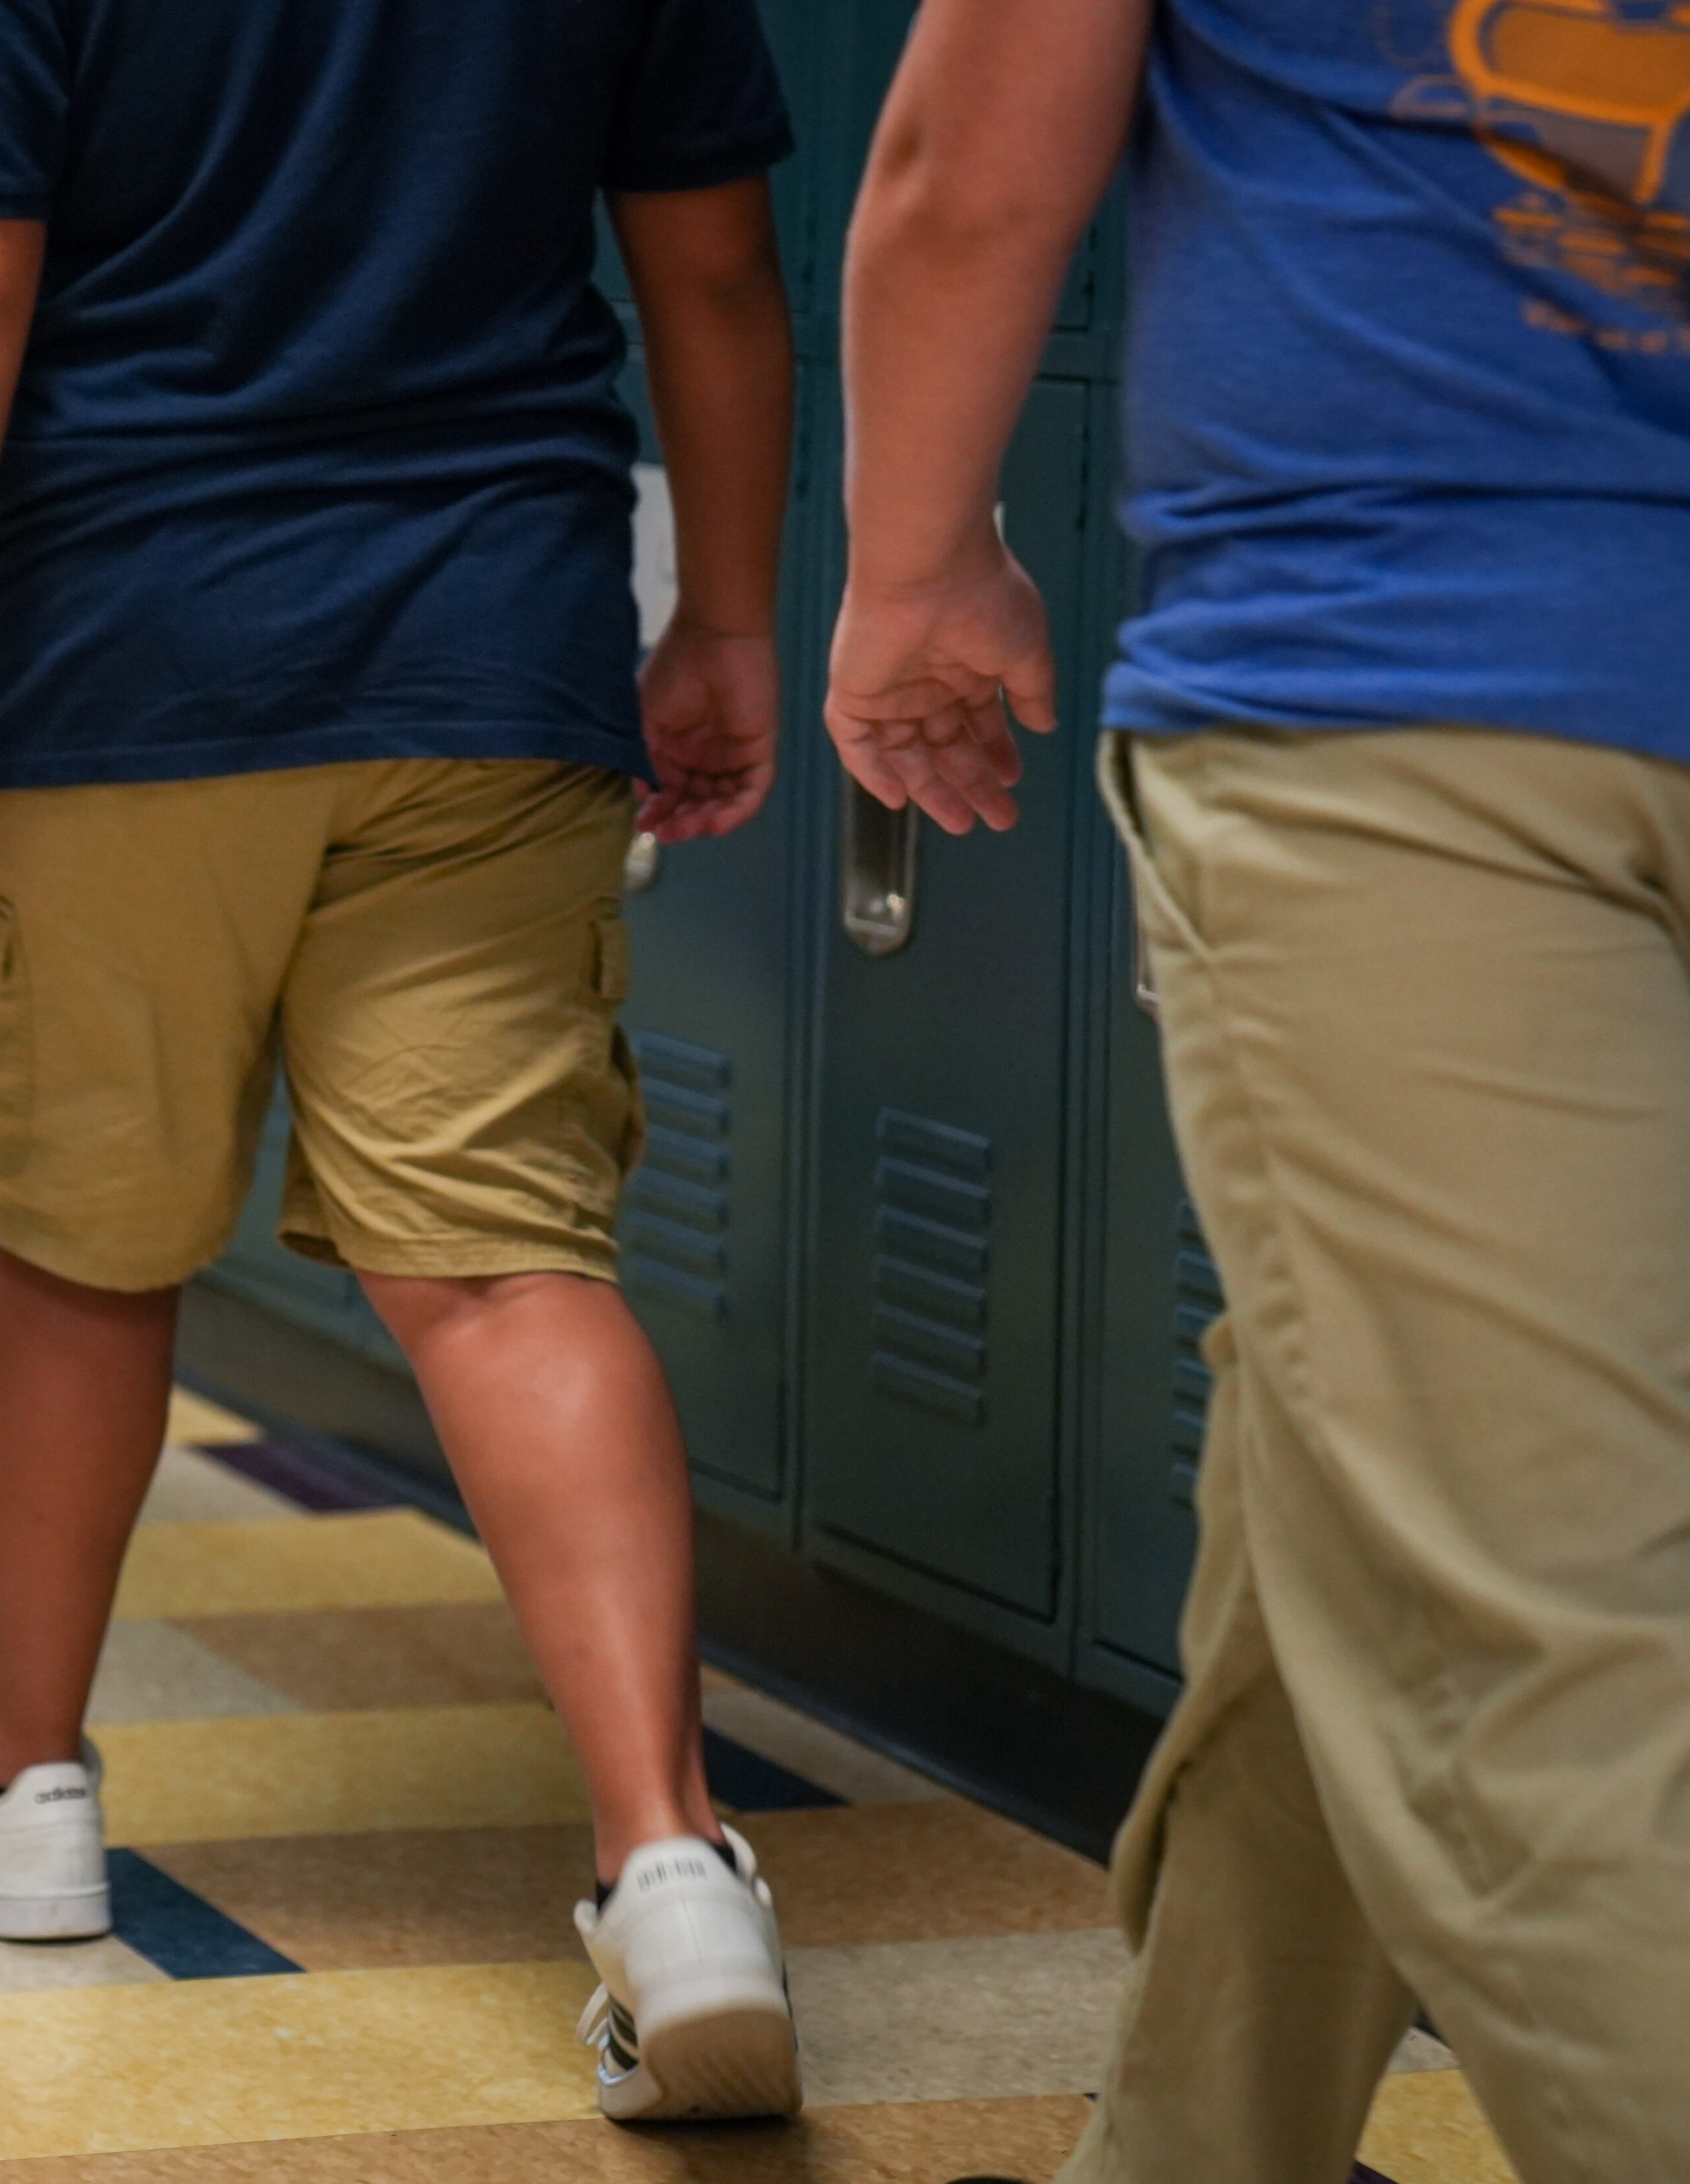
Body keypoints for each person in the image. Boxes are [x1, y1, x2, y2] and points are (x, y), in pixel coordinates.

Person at [0, 0, 805, 2125]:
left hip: (126, 650)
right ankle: (669, 1858)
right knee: (506, 1264)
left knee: (87, 1235)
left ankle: (15, 1788)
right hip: (491, 643)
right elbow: (714, 260)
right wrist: (727, 610)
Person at [830, 1, 1690, 2177]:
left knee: (1540, 1681)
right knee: (1366, 1459)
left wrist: (916, 562)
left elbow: (973, 160)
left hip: (1420, 690)